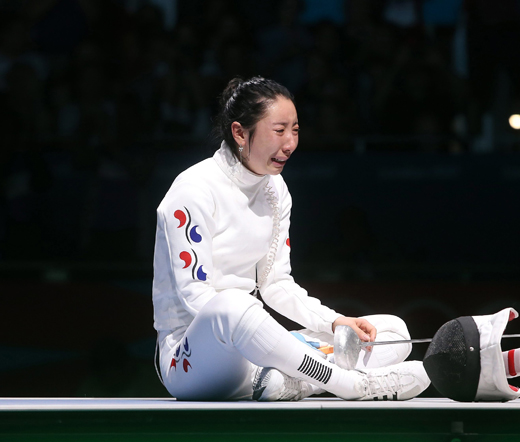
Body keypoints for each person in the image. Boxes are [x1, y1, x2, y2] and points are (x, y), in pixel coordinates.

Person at [152, 76, 430, 401]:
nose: (289, 143)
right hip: (189, 360)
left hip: (256, 345)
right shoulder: (193, 190)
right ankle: (351, 385)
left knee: (392, 332)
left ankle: (284, 383)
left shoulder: (275, 190)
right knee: (231, 304)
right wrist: (266, 343)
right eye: (279, 130)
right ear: (240, 132)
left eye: (295, 130)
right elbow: (195, 296)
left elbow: (277, 284)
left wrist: (335, 322)